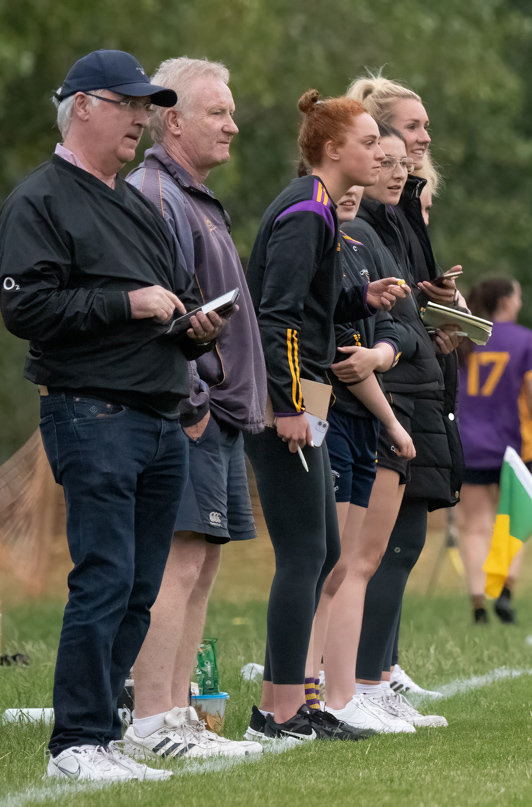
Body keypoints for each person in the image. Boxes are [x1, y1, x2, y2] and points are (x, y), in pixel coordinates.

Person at [0, 49, 229, 781]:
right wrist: (125, 303)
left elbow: (169, 298)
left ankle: (107, 732)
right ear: (85, 107)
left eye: (145, 106)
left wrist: (191, 325)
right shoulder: (39, 199)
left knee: (138, 584)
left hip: (160, 415)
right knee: (104, 576)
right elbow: (23, 306)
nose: (141, 118)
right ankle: (74, 743)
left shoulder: (133, 200)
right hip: (91, 413)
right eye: (129, 104)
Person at [243, 89, 407, 743]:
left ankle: (293, 701)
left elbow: (309, 303)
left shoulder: (321, 212)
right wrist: (287, 404)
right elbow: (275, 314)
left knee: (325, 548)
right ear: (333, 148)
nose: (380, 153)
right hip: (290, 397)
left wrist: (356, 296)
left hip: (305, 393)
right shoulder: (308, 211)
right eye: (369, 142)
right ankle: (277, 713)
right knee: (308, 550)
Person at [123, 57, 264, 760]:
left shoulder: (197, 197)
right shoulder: (156, 195)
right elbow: (156, 315)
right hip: (191, 413)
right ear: (171, 119)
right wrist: (195, 403)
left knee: (201, 565)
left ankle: (180, 717)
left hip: (220, 416)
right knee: (175, 566)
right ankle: (152, 722)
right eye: (217, 112)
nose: (233, 124)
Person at [348, 72, 464, 702]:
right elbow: (374, 306)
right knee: (382, 543)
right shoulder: (366, 214)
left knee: (401, 539)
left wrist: (444, 309)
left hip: (418, 378)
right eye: (411, 128)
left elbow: (405, 298)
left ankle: (378, 668)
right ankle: (364, 675)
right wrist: (416, 328)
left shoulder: (406, 206)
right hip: (391, 387)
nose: (425, 138)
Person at [306, 181, 419, 735]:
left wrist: (386, 347)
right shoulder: (310, 232)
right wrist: (395, 423)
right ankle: (319, 692)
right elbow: (343, 354)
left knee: (349, 564)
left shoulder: (361, 241)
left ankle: (340, 692)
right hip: (329, 415)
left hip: (359, 419)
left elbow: (398, 328)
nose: (353, 189)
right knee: (331, 565)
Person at [456, 278, 532, 624]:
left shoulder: (465, 335)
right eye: (518, 294)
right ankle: (504, 590)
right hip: (513, 446)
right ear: (507, 301)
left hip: (467, 443)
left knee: (474, 526)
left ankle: (477, 601)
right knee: (512, 523)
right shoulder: (524, 340)